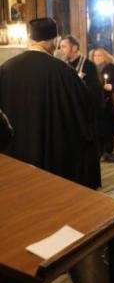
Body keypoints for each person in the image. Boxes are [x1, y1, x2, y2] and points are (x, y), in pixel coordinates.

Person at [0, 18, 100, 188]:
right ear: (54, 41)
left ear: (30, 39)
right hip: (54, 159)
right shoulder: (63, 72)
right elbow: (85, 110)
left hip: (16, 158)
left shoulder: (6, 69)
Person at [60, 35, 103, 114]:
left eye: (64, 47)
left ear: (74, 48)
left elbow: (96, 90)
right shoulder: (64, 66)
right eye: (60, 47)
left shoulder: (89, 65)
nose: (61, 50)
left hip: (85, 111)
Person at [93, 48, 114, 160]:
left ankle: (108, 149)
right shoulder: (92, 68)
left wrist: (111, 86)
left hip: (106, 100)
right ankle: (99, 150)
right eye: (95, 55)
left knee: (107, 125)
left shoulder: (111, 68)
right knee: (97, 126)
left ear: (105, 56)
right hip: (95, 101)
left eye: (99, 55)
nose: (97, 57)